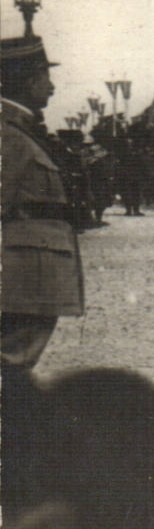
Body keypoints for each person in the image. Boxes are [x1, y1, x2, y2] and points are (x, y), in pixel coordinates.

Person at [1, 35, 83, 374]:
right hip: (20, 277)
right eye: (44, 78)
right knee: (9, 365)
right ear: (27, 81)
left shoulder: (21, 130)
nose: (51, 87)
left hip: (28, 275)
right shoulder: (7, 134)